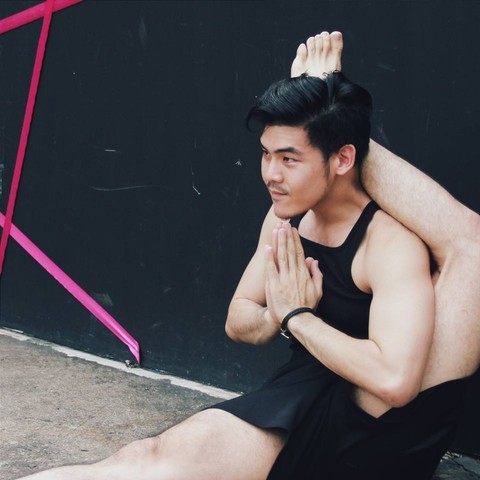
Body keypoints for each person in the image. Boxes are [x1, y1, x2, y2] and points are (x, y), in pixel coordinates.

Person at [16, 32, 479, 480]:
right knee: (146, 458)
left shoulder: (390, 243)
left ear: (342, 159)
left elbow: (396, 383)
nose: (271, 174)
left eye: (289, 159)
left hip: (373, 435)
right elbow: (238, 319)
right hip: (304, 393)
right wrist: (276, 314)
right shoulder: (286, 215)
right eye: (265, 155)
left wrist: (297, 317)